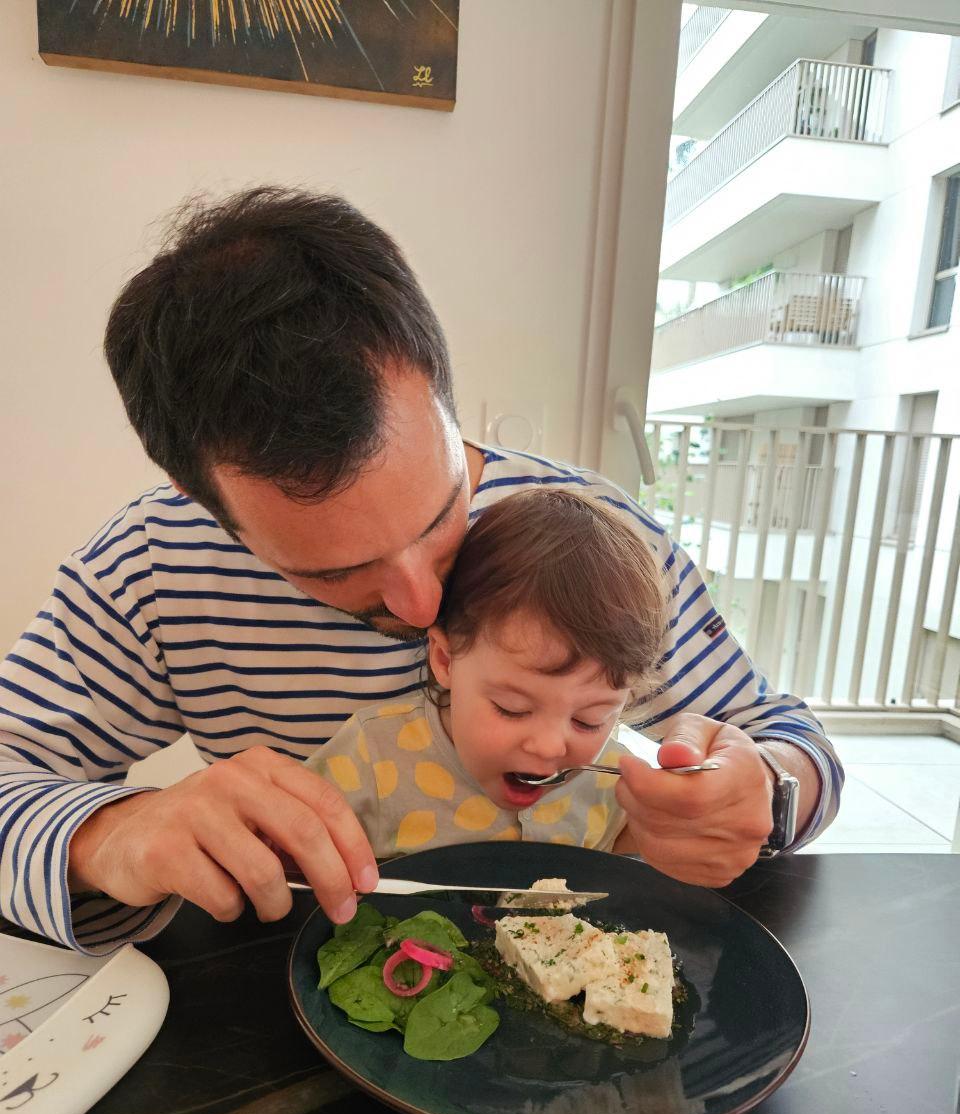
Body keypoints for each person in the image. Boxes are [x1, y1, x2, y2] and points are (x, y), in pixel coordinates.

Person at [0, 187, 842, 956]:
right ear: (201, 497)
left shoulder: (591, 538)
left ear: (442, 389)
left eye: (441, 515)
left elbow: (794, 744)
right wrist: (110, 835)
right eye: (337, 570)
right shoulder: (153, 565)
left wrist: (764, 794)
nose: (421, 602)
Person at [304, 488, 669, 856]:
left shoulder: (617, 780)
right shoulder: (371, 755)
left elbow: (632, 862)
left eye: (589, 721)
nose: (549, 747)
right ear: (445, 660)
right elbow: (290, 846)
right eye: (512, 709)